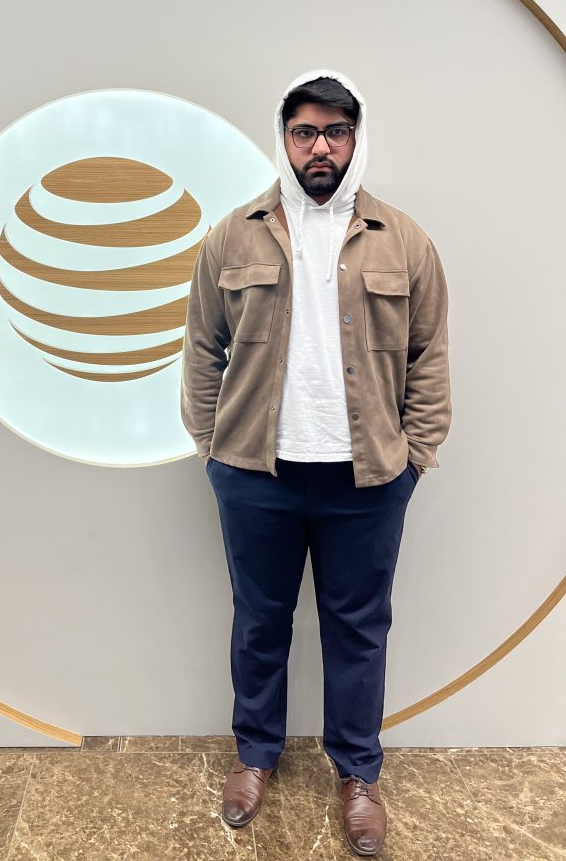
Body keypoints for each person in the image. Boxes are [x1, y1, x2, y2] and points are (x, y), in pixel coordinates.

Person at [180, 68, 451, 856]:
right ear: (285, 139)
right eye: (306, 131)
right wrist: (213, 449)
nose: (320, 146)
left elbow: (429, 357)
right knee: (259, 621)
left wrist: (417, 455)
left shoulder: (405, 240)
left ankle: (358, 774)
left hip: (366, 479)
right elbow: (201, 349)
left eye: (335, 131)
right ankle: (255, 756)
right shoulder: (233, 235)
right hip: (256, 474)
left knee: (358, 629)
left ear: (355, 140)